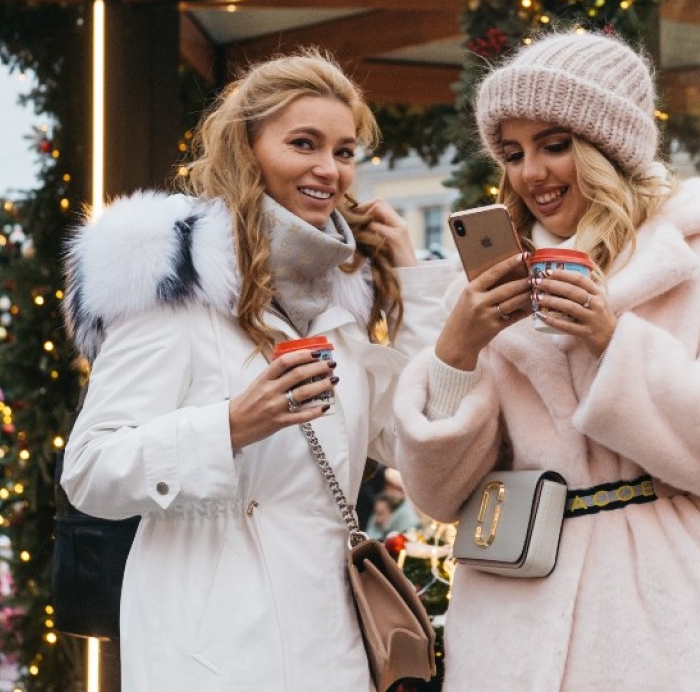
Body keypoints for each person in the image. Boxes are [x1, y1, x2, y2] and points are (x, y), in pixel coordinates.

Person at [392, 30, 700, 692]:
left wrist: (614, 342)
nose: (532, 173)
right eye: (515, 152)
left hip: (668, 623)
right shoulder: (488, 285)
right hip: (512, 624)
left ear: (608, 146)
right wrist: (457, 350)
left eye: (555, 144)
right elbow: (437, 496)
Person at [60, 50, 451, 692]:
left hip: (331, 646)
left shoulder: (341, 304)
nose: (329, 169)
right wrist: (229, 427)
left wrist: (415, 282)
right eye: (304, 143)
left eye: (345, 151)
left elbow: (412, 438)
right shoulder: (176, 290)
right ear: (248, 148)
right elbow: (89, 470)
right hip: (210, 651)